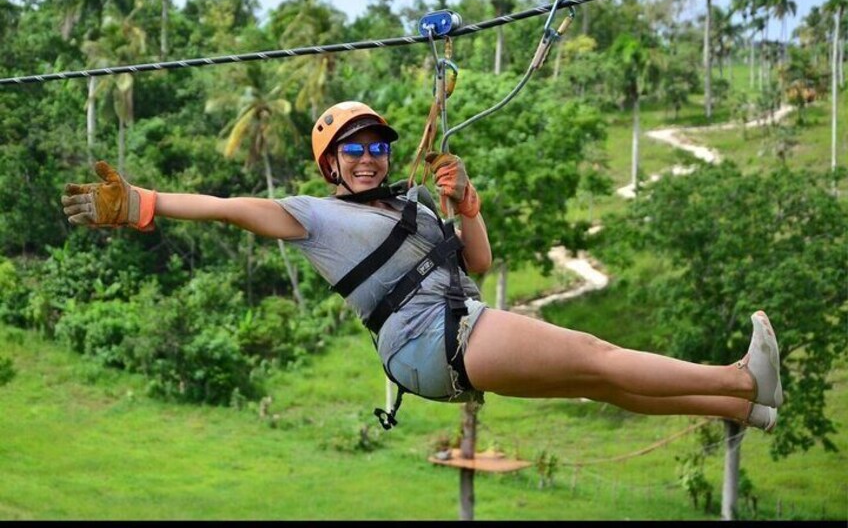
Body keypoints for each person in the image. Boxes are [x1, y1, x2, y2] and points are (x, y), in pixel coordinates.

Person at [61, 101, 784, 432]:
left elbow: (480, 258)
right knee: (599, 353)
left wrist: (466, 200)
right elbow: (229, 205)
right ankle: (740, 377)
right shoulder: (314, 215)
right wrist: (142, 203)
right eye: (355, 147)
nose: (371, 155)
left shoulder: (411, 207)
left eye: (378, 144)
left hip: (438, 343)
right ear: (330, 163)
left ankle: (740, 406)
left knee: (601, 382)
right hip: (434, 337)